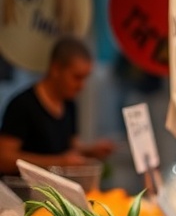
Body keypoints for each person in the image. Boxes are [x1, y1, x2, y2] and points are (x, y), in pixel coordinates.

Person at [0, 37, 115, 175]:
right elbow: (4, 159)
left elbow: (70, 147)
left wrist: (90, 151)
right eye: (77, 77)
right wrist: (57, 162)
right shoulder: (22, 105)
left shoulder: (69, 104)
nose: (81, 86)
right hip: (23, 193)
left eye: (85, 78)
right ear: (56, 69)